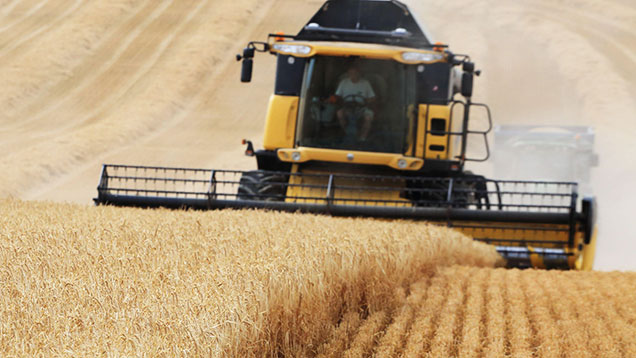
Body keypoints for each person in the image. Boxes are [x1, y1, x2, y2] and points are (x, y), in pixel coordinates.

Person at [331, 64, 376, 141]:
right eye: (350, 73)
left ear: (359, 73)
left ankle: (362, 137)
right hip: (347, 107)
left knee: (368, 117)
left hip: (361, 108)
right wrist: (331, 100)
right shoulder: (344, 82)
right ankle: (346, 133)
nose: (353, 75)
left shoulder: (365, 83)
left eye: (355, 73)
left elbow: (373, 98)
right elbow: (337, 96)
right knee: (339, 113)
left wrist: (366, 101)